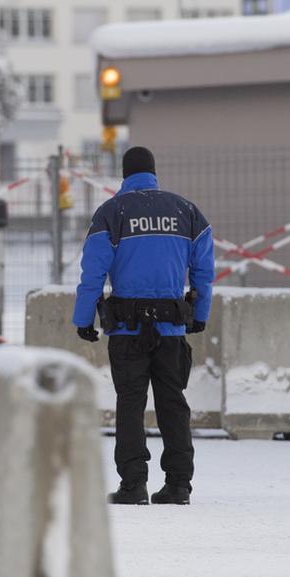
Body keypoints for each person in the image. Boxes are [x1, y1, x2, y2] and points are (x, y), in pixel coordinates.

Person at [73, 146, 214, 506]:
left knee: (131, 404)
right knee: (173, 402)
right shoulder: (187, 212)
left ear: (125, 174)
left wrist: (83, 319)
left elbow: (92, 274)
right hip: (170, 329)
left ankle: (133, 485)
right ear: (153, 172)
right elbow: (204, 272)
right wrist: (199, 315)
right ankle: (179, 484)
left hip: (127, 329)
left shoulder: (112, 213)